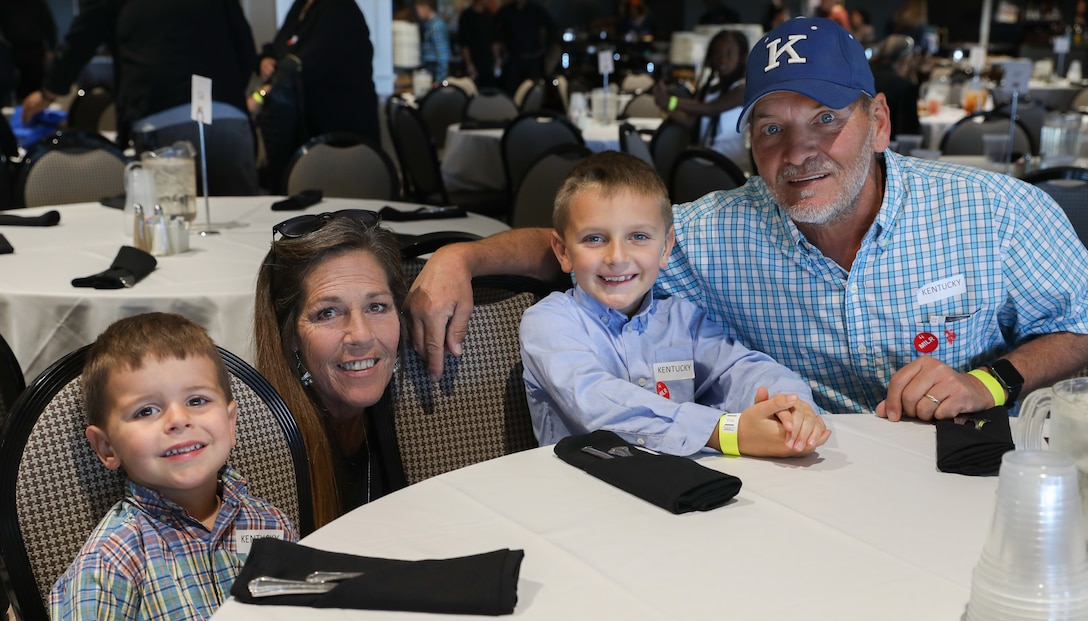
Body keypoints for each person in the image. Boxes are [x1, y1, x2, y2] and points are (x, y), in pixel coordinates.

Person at [404, 17, 1088, 424]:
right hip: (797, 487)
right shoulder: (715, 234)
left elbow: (1080, 327)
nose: (798, 154)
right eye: (771, 128)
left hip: (961, 481)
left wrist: (987, 380)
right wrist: (461, 257)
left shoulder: (995, 212)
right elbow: (594, 241)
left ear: (877, 122)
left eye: (826, 119)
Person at [51, 313, 297, 621]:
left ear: (232, 420)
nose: (178, 420)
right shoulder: (109, 564)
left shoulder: (270, 522)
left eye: (198, 400)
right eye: (147, 410)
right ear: (106, 447)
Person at [521, 152, 831, 457]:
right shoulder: (550, 322)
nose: (616, 257)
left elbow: (742, 368)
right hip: (577, 495)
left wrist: (790, 407)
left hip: (679, 492)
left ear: (666, 246)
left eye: (638, 236)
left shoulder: (684, 320)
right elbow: (594, 401)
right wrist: (724, 432)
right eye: (594, 239)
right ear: (563, 252)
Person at [255, 212, 406, 527]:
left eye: (377, 306)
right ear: (291, 335)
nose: (362, 335)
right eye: (328, 313)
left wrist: (460, 257)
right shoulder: (263, 451)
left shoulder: (421, 415)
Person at [20, 0, 257, 193]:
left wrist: (49, 91)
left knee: (171, 231)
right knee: (236, 222)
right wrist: (228, 96)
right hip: (227, 115)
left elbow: (82, 38)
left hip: (161, 114)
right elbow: (245, 48)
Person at [252, 0, 380, 191]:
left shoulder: (340, 9)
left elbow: (303, 66)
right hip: (308, 136)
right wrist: (265, 59)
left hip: (338, 140)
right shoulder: (302, 7)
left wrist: (260, 95)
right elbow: (280, 47)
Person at [653, 29, 749, 173]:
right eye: (718, 54)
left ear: (742, 57)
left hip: (730, 166)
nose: (722, 59)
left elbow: (711, 108)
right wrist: (665, 105)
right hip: (703, 160)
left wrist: (670, 101)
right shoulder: (710, 88)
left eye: (729, 54)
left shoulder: (742, 89)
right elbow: (692, 122)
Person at [493, 0, 556, 96]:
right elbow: (495, 30)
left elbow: (551, 27)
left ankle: (533, 110)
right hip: (514, 59)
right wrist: (501, 50)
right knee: (511, 90)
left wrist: (544, 48)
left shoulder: (536, 10)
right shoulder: (506, 11)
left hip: (533, 59)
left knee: (534, 91)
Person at [870, 34, 922, 140]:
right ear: (905, 60)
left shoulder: (862, 77)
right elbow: (909, 131)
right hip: (889, 148)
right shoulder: (903, 85)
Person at [459, 0, 498, 88]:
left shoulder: (489, 15)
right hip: (474, 61)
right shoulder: (466, 16)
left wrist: (497, 59)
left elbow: (494, 40)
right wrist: (469, 65)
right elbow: (464, 43)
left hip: (488, 62)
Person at [416, 0, 451, 84]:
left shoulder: (436, 26)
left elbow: (442, 56)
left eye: (418, 9)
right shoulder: (428, 25)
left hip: (435, 74)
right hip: (429, 71)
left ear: (426, 7)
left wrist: (439, 80)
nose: (417, 13)